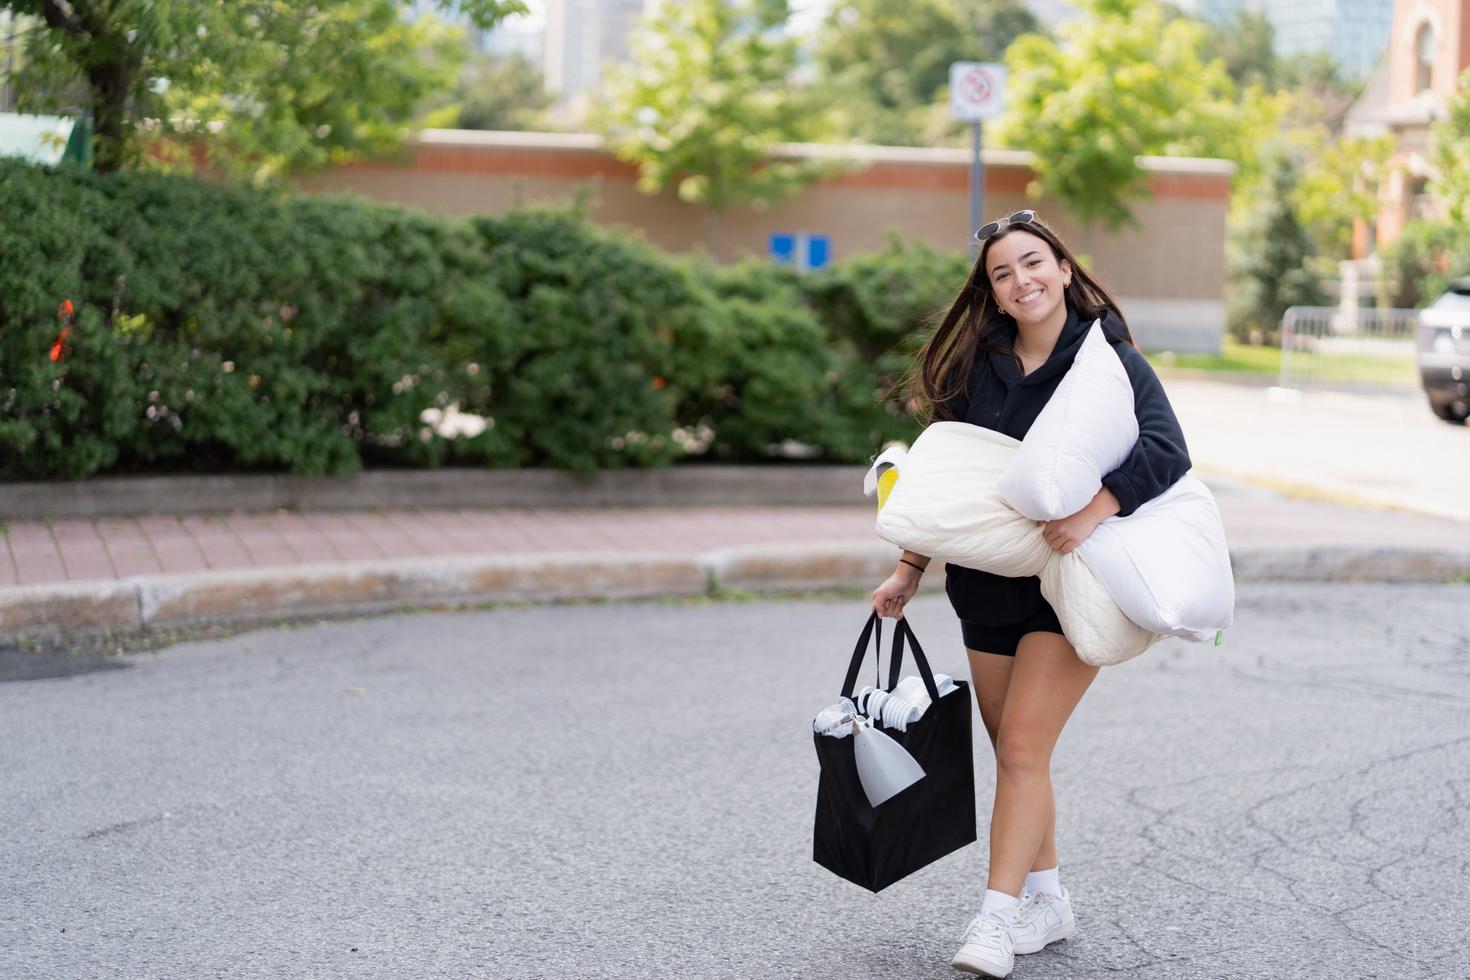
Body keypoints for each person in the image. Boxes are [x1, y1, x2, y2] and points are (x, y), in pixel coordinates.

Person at [869, 210, 1191, 978]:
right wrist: (909, 567)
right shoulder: (980, 366)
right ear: (994, 293)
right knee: (1019, 758)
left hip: (1069, 583)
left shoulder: (1107, 360)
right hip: (984, 583)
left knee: (1021, 748)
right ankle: (1048, 899)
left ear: (1065, 269)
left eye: (1033, 262)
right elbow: (946, 481)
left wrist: (1094, 511)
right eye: (1003, 273)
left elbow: (1167, 450)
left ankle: (994, 919)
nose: (1022, 280)